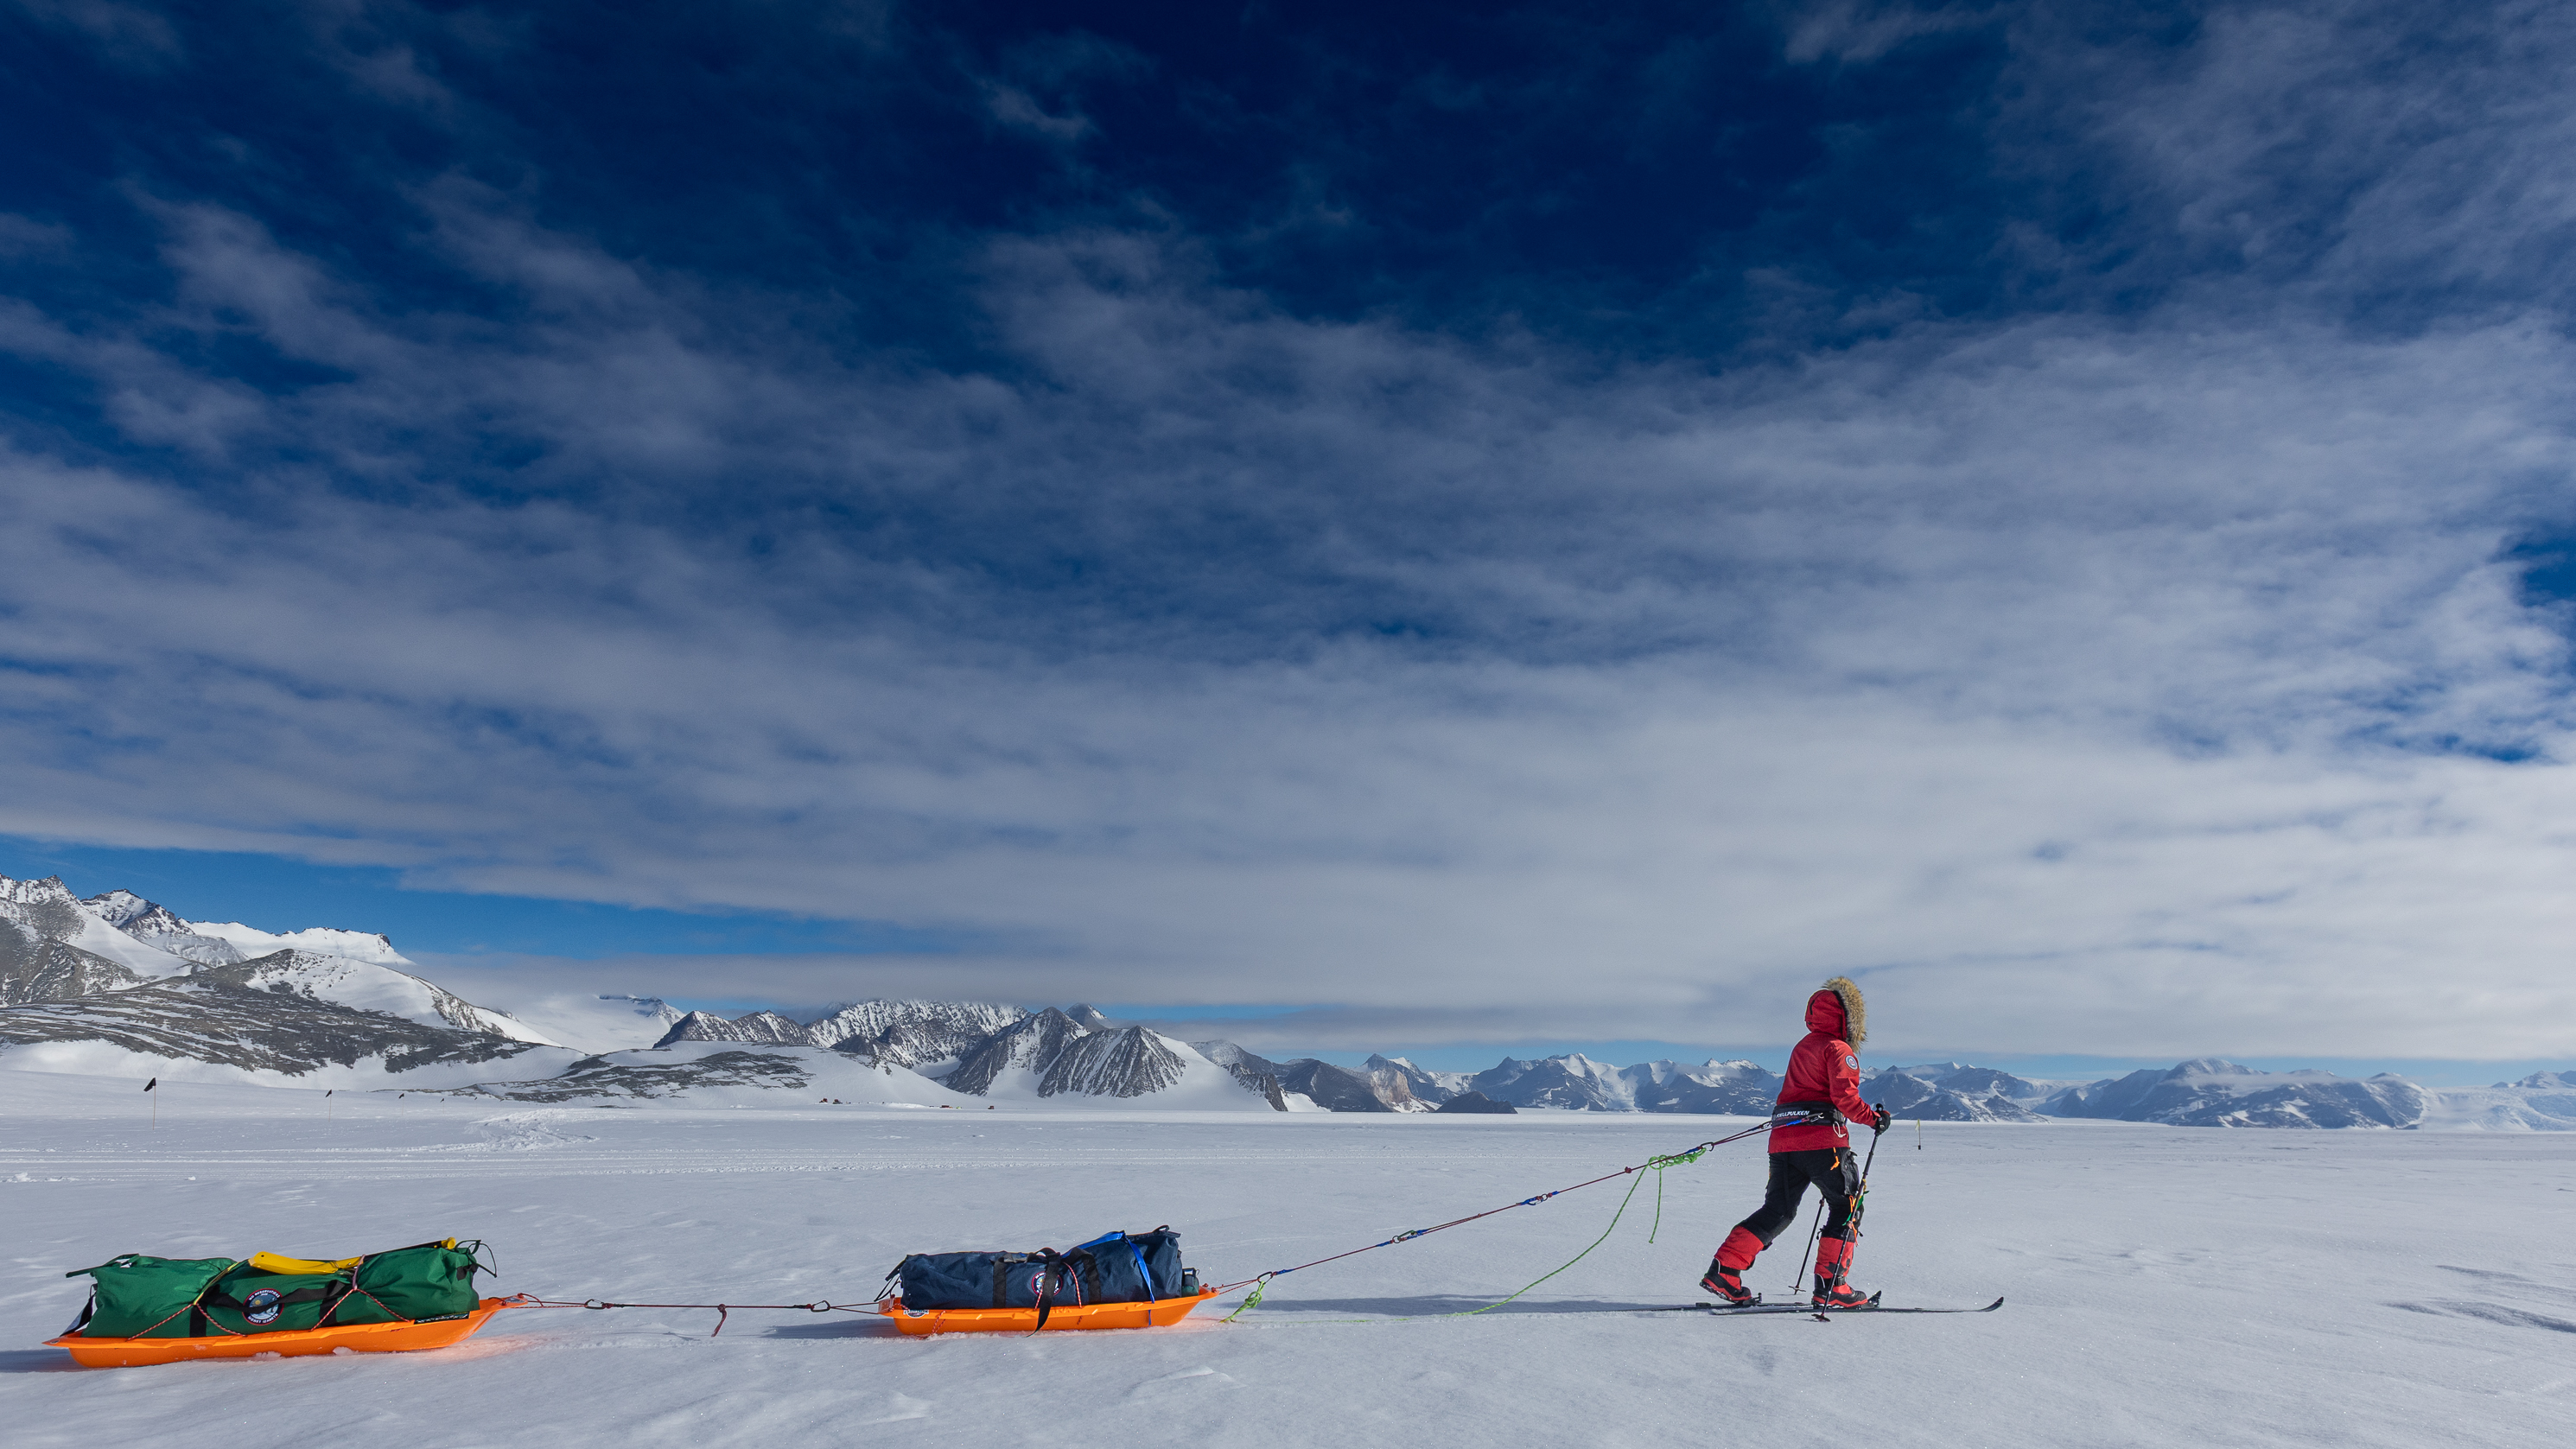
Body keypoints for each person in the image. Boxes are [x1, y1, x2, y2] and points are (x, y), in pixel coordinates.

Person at [1701, 976, 1892, 1309]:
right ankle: (1832, 1286)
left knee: (1778, 1210)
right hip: (1823, 1143)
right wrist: (1875, 1119)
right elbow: (1845, 1099)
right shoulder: (1839, 1049)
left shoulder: (1802, 1047)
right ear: (1850, 1020)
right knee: (1847, 1206)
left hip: (1783, 1143)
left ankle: (1725, 1271)